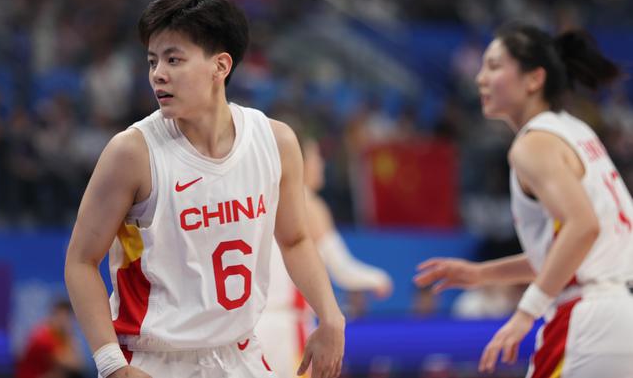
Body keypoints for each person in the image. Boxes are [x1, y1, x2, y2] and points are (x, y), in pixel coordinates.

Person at [64, 0, 345, 378]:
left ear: (220, 66)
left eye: (173, 59)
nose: (158, 74)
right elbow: (80, 261)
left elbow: (295, 240)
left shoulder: (275, 142)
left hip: (241, 355)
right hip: (153, 360)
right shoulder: (132, 153)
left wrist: (331, 316)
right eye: (152, 61)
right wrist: (111, 364)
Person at [414, 23, 633, 377]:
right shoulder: (576, 130)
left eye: (494, 66)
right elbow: (567, 253)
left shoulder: (533, 144)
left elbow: (582, 227)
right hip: (619, 310)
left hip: (589, 318)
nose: (481, 78)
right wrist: (481, 274)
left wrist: (525, 312)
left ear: (534, 79)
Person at [255, 137, 392, 378]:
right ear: (298, 161)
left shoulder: (256, 195)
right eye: (316, 156)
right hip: (288, 329)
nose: (321, 163)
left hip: (250, 329)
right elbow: (343, 270)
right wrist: (378, 279)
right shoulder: (307, 202)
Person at [16, 299, 84, 378]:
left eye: (68, 318)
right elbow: (74, 364)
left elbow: (79, 365)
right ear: (53, 316)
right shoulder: (43, 336)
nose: (64, 322)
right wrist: (70, 337)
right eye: (61, 317)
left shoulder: (60, 336)